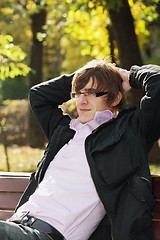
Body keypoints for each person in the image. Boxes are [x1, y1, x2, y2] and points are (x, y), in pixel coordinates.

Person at [0, 59, 160, 240]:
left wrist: (127, 76)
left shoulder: (129, 133)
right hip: (18, 224)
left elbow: (158, 82)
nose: (82, 100)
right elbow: (38, 94)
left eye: (92, 93)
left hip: (47, 235)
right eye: (79, 93)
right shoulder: (63, 132)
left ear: (115, 98)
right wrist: (87, 73)